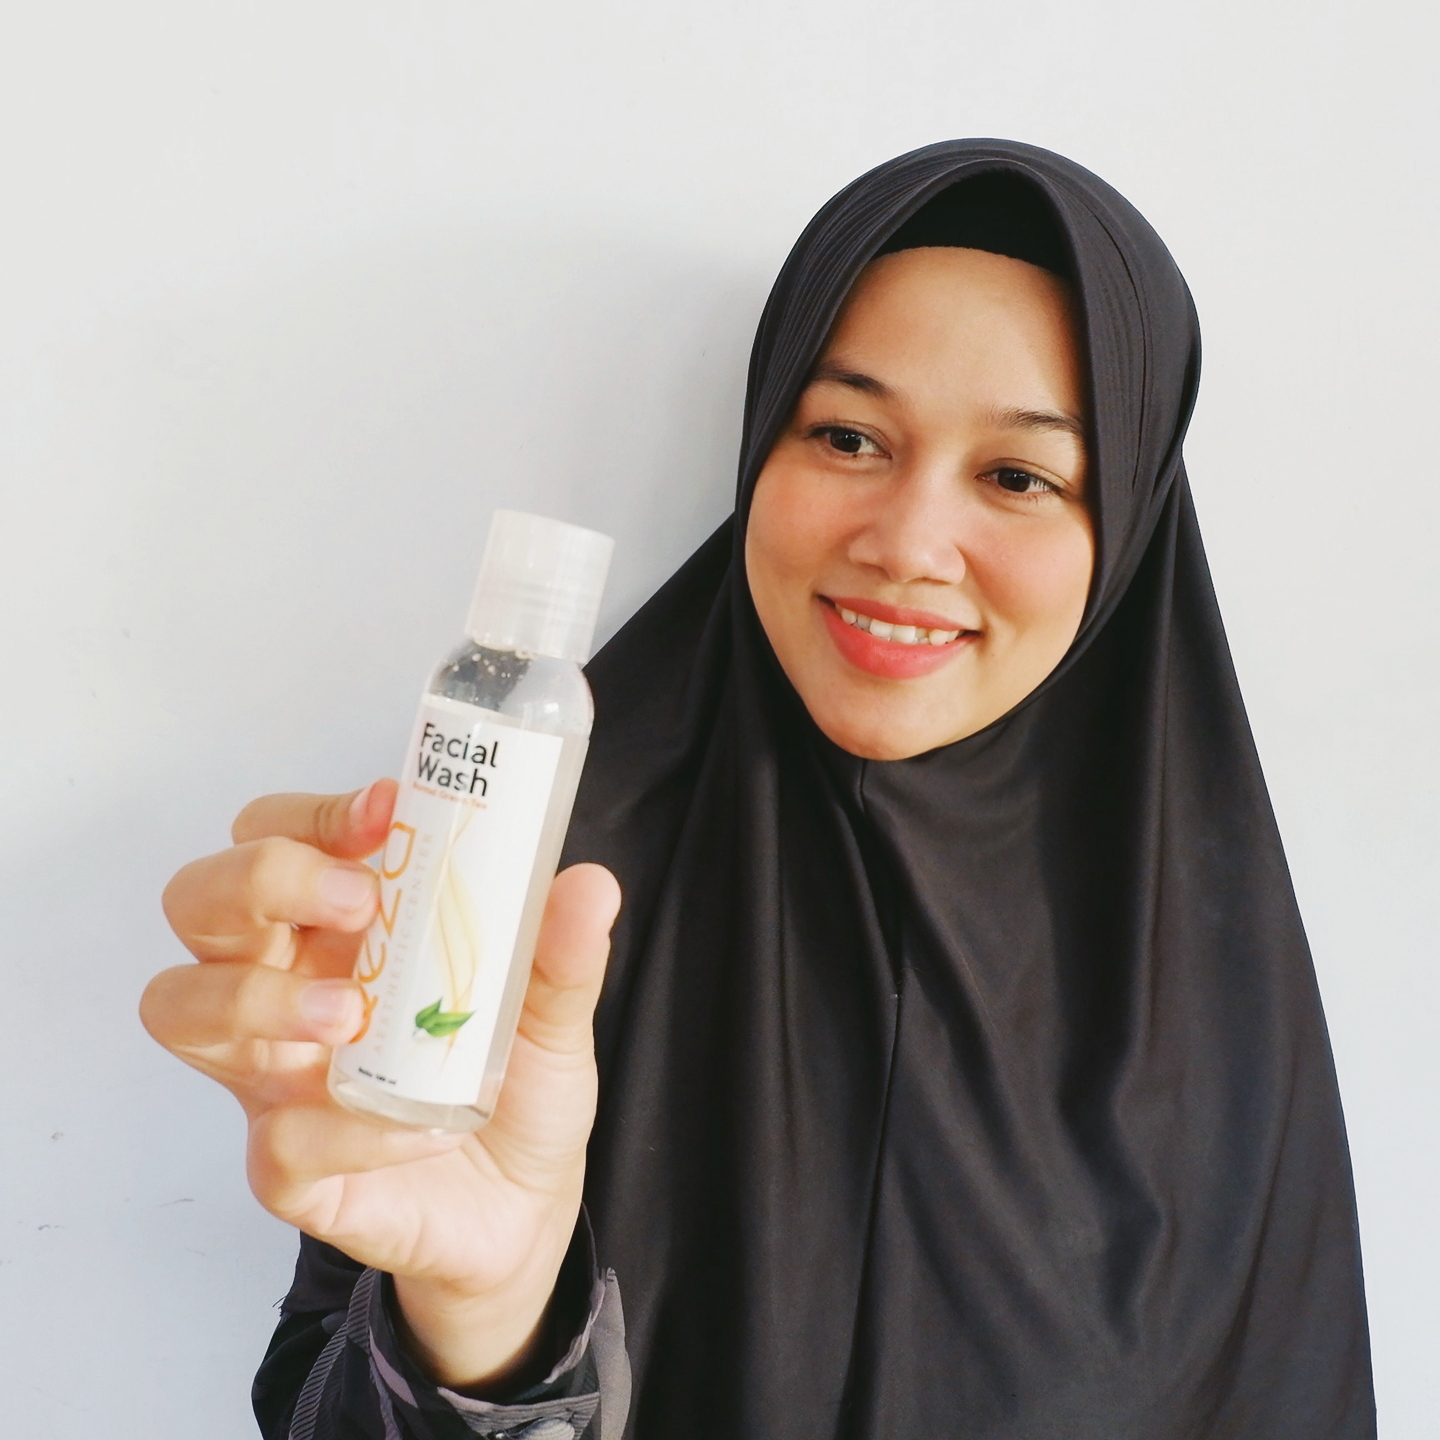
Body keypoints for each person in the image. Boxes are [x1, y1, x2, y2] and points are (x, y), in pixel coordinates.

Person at [142, 140, 1376, 1439]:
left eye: (1018, 476)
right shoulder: (526, 886)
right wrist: (483, 1330)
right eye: (847, 436)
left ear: (1122, 530)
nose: (907, 544)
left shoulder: (1203, 981)